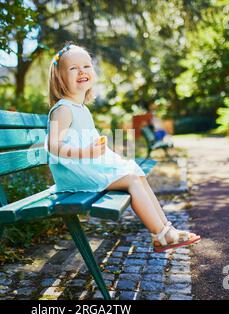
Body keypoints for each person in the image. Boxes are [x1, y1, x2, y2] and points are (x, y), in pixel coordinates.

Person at [44, 43, 200, 252]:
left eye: (87, 66)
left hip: (85, 166)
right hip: (73, 175)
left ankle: (165, 229)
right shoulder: (63, 109)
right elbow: (53, 145)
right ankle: (160, 234)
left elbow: (83, 140)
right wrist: (84, 152)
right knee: (131, 179)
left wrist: (98, 148)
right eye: (73, 68)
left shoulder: (80, 108)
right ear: (60, 78)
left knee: (136, 172)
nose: (82, 71)